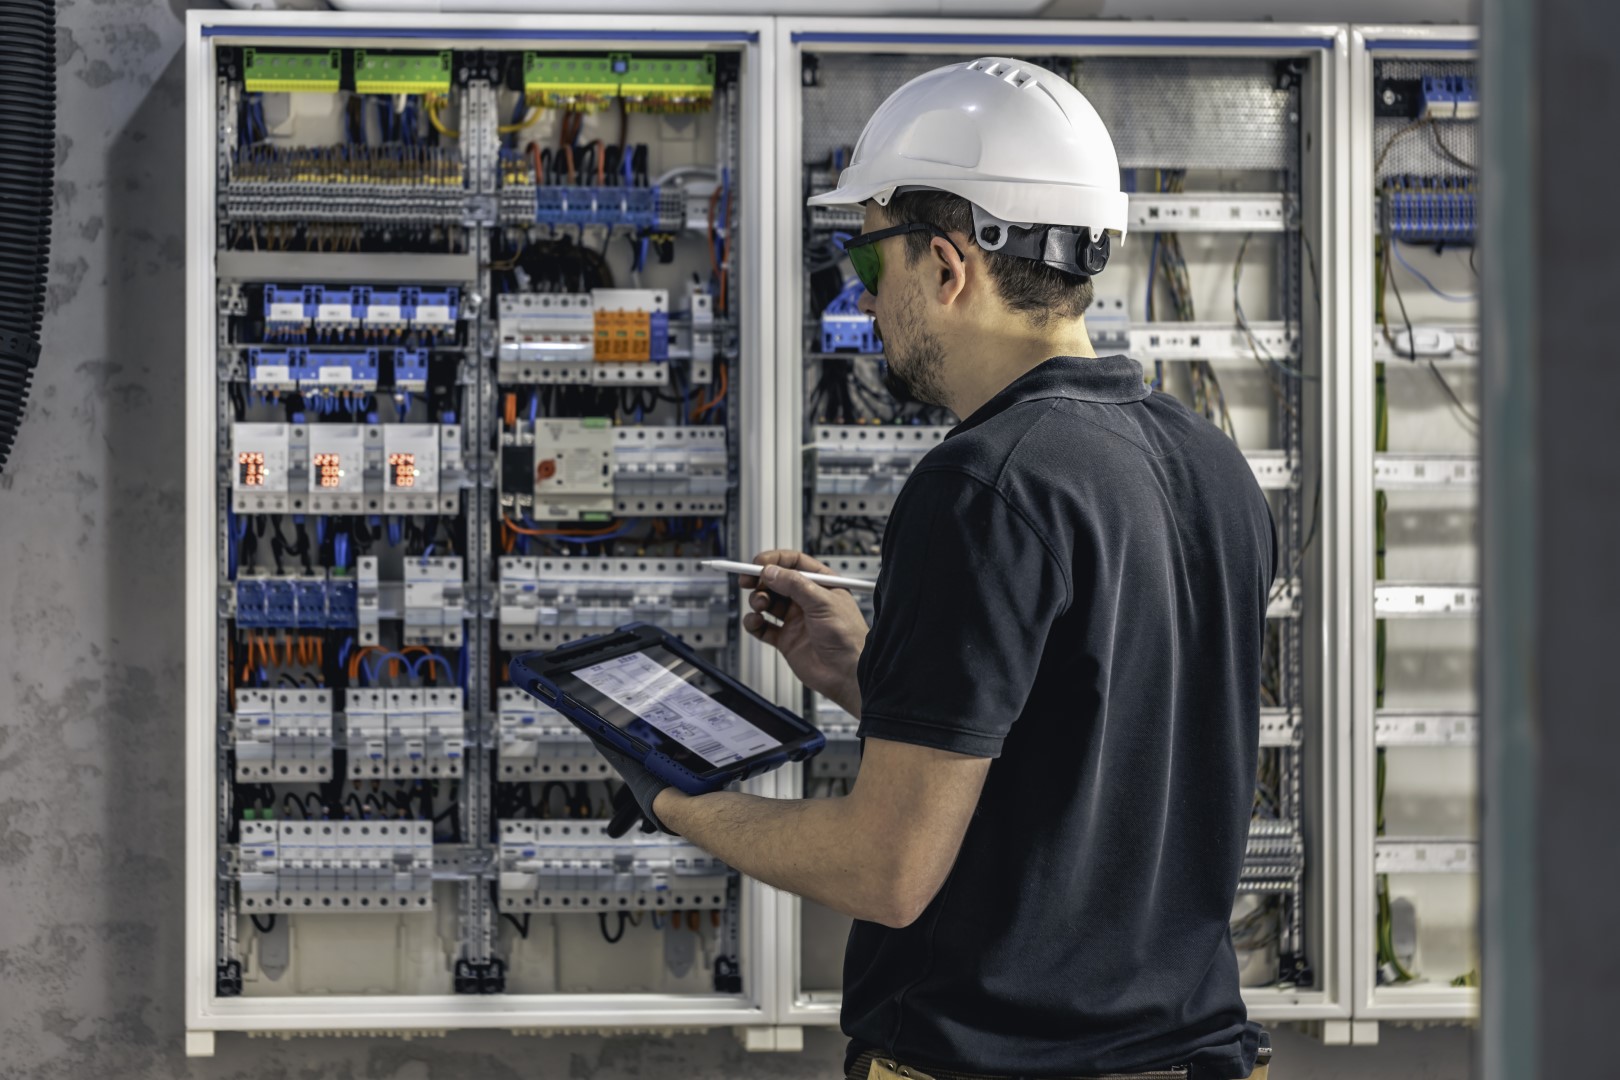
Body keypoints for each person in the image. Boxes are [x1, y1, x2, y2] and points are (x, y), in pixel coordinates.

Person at [593, 57, 1275, 1080]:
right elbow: (1081, 748)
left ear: (948, 266)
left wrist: (677, 801)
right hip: (1191, 1056)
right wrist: (868, 670)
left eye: (871, 265)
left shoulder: (985, 485)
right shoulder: (1207, 461)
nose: (865, 303)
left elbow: (890, 869)